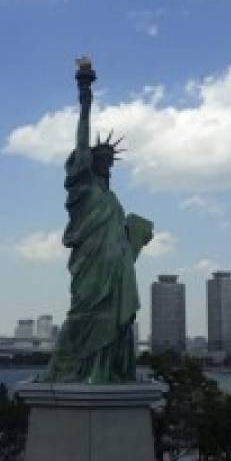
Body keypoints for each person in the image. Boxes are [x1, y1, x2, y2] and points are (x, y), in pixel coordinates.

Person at [45, 57, 153, 384]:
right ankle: (66, 370)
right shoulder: (82, 186)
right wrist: (85, 99)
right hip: (90, 262)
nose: (106, 163)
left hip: (116, 265)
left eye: (110, 160)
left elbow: (122, 234)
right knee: (83, 314)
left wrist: (136, 234)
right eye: (100, 158)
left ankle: (104, 370)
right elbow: (81, 143)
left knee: (113, 318)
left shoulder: (112, 199)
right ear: (88, 162)